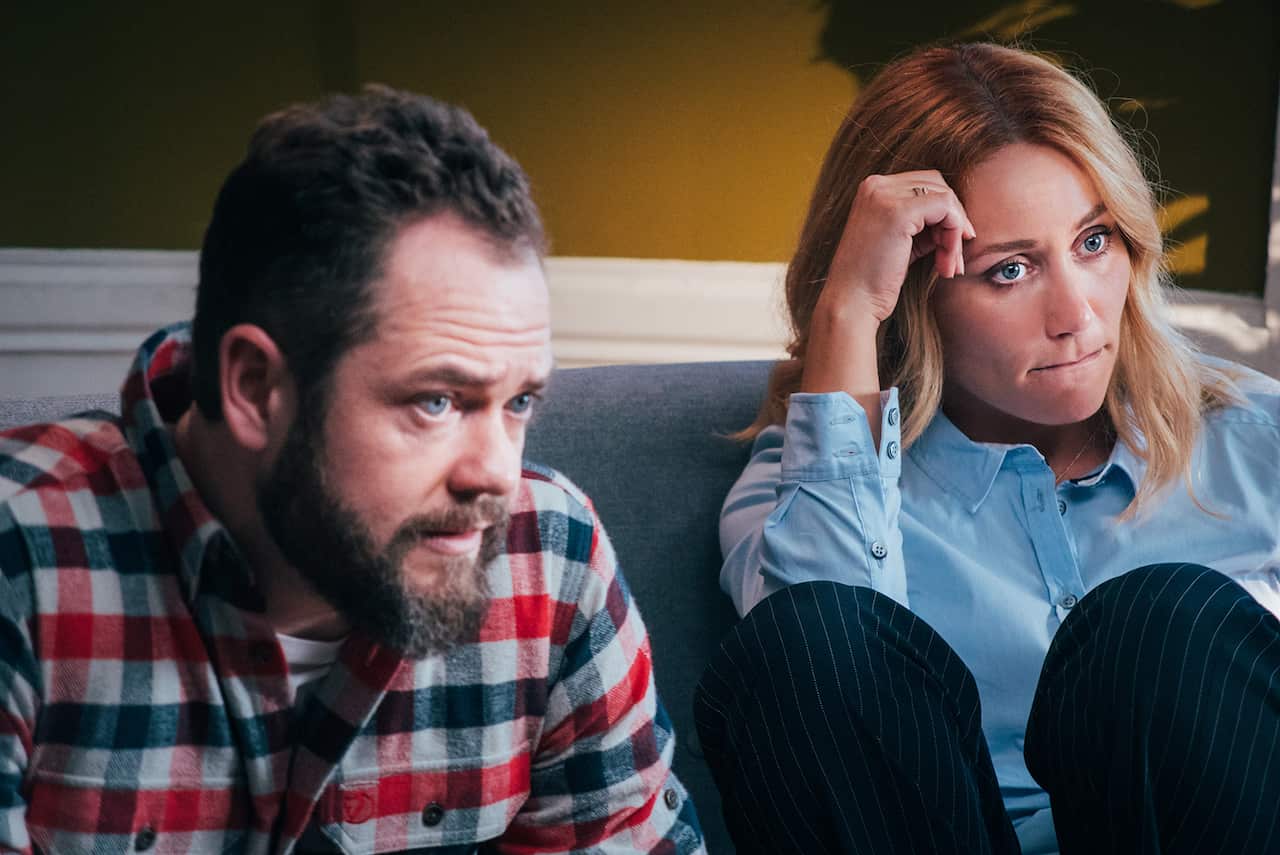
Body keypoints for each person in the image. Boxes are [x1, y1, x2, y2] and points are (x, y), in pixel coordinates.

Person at [0, 86, 704, 854]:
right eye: (436, 401)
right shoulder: (22, 562)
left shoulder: (551, 559)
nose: (498, 474)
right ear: (255, 389)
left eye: (520, 400)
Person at [694, 42, 1280, 855]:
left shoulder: (1261, 447)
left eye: (1094, 241)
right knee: (813, 631)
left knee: (1162, 622)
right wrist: (846, 312)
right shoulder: (804, 488)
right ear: (909, 295)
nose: (1077, 313)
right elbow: (820, 699)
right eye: (1009, 271)